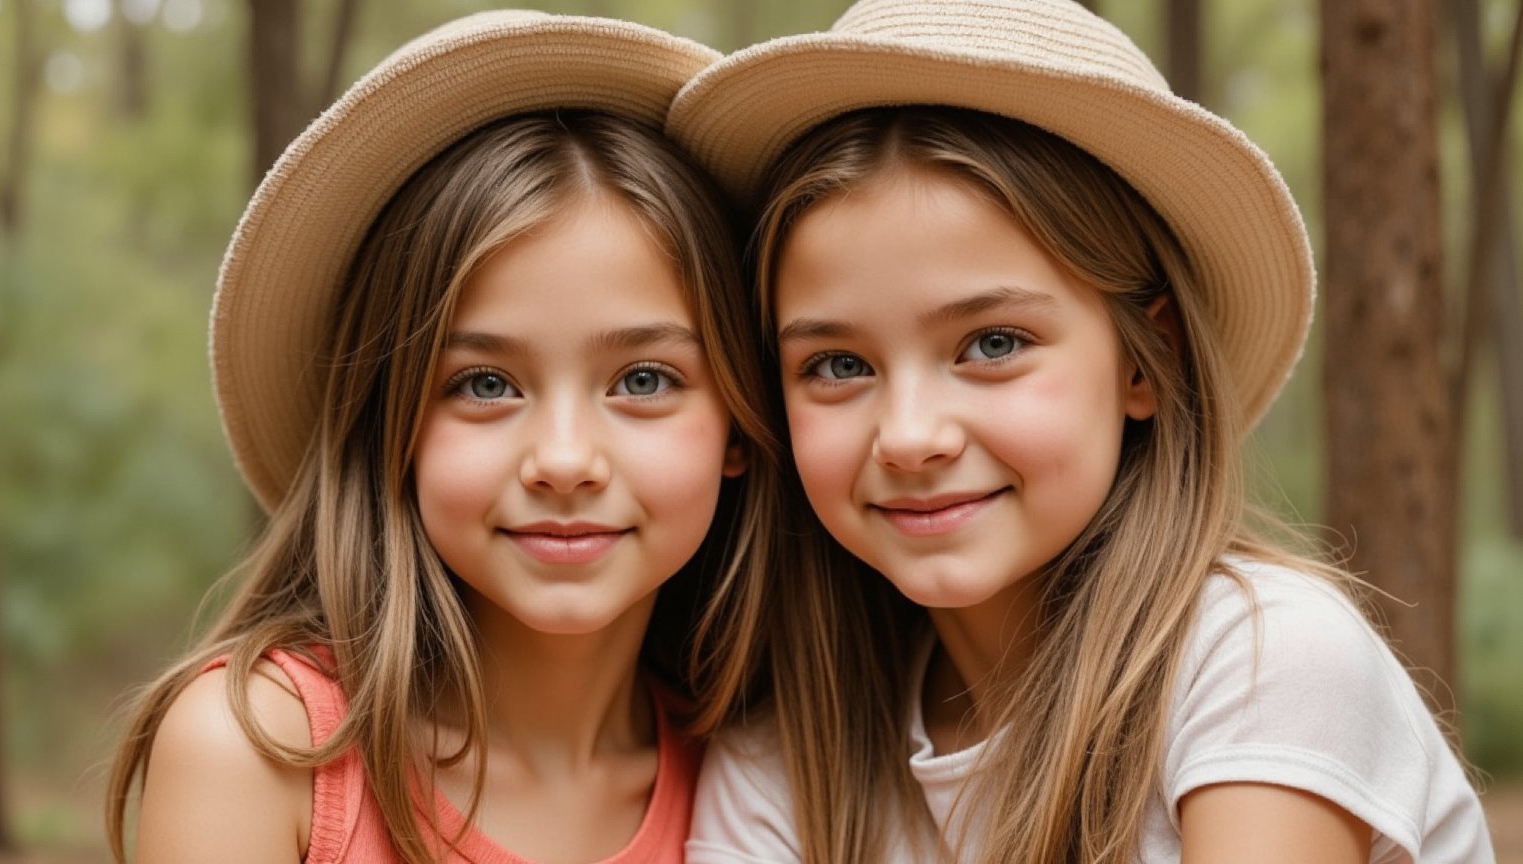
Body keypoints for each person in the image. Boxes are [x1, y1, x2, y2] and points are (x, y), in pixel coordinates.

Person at [665, 0, 1495, 861]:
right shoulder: (783, 767)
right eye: (838, 365)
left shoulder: (1261, 660)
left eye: (993, 345)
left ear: (1145, 361)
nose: (910, 437)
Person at [105, 11, 779, 864]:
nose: (565, 461)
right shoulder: (258, 751)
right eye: (485, 385)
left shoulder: (760, 785)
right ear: (396, 428)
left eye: (643, 380)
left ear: (738, 426)